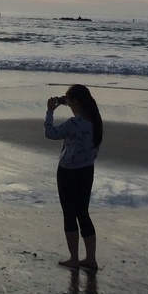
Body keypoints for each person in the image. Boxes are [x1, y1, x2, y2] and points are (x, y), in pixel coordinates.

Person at [45, 84, 103, 270]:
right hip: (87, 171)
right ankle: (91, 258)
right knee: (83, 213)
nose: (68, 104)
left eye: (69, 101)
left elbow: (50, 133)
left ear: (76, 101)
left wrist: (49, 112)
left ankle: (74, 258)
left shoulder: (74, 123)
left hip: (68, 172)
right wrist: (63, 101)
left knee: (70, 214)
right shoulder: (95, 122)